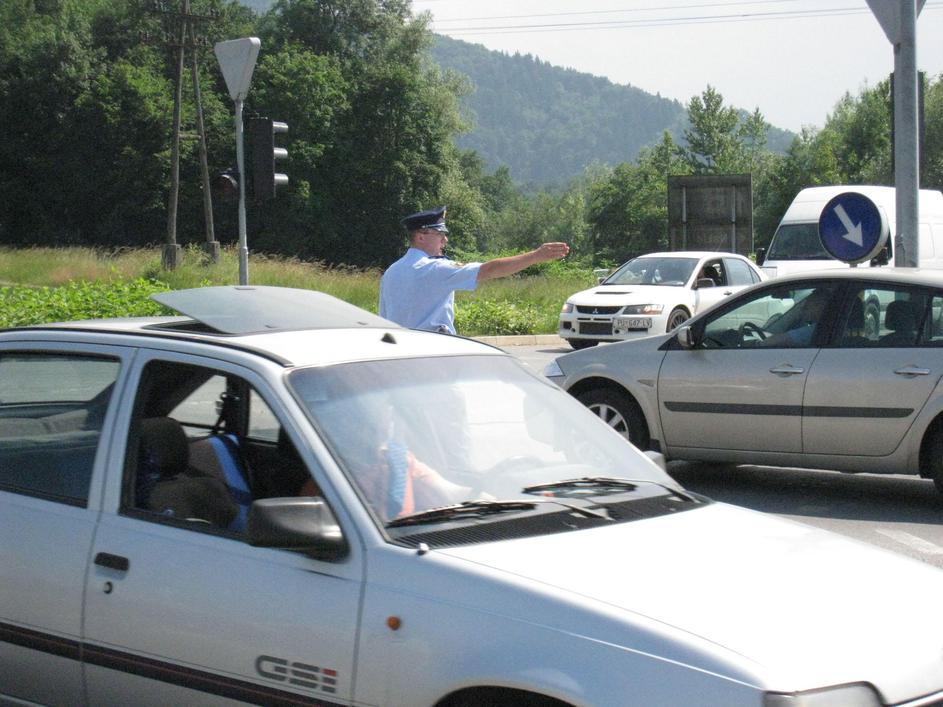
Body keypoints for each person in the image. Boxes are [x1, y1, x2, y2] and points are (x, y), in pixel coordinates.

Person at [379, 206, 570, 334]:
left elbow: (385, 320)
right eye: (440, 234)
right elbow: (490, 269)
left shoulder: (392, 272)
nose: (445, 240)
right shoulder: (434, 268)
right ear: (421, 236)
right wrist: (536, 256)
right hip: (434, 353)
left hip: (404, 354)